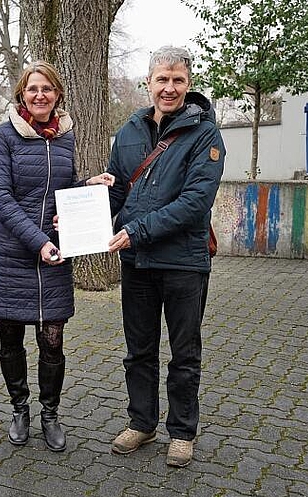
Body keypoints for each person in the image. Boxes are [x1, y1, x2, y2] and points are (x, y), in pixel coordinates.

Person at [0, 61, 114, 452]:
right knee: (11, 337)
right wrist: (38, 240)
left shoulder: (66, 137)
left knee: (52, 340)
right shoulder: (3, 137)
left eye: (47, 89)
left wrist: (88, 186)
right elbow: (0, 198)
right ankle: (20, 408)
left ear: (58, 95)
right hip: (9, 254)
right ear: (22, 94)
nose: (40, 95)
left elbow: (60, 188)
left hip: (52, 253)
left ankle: (50, 413)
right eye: (33, 88)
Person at [105, 46, 225, 467]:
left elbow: (195, 202)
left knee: (184, 352)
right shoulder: (130, 130)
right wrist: (89, 210)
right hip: (137, 264)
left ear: (188, 84)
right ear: (149, 82)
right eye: (162, 79)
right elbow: (119, 191)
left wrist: (134, 230)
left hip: (183, 262)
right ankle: (141, 423)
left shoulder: (205, 133)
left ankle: (182, 431)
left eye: (178, 80)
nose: (169, 88)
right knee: (138, 349)